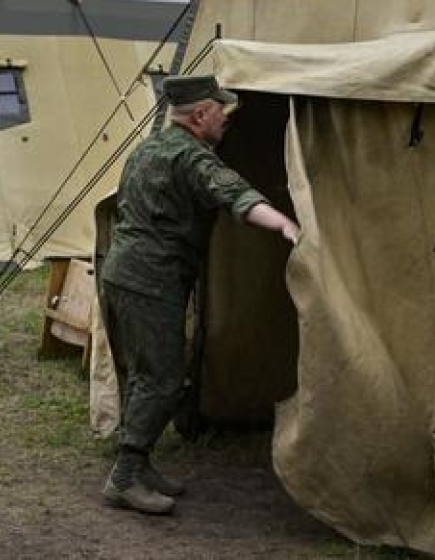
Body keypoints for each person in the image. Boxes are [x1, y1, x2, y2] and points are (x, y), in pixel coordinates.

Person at [98, 74, 300, 515]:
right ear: (202, 115)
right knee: (164, 379)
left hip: (122, 272)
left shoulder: (149, 147)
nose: (226, 124)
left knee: (143, 373)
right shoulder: (191, 157)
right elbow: (237, 196)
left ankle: (140, 462)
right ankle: (125, 477)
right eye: (222, 115)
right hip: (151, 280)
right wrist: (285, 224)